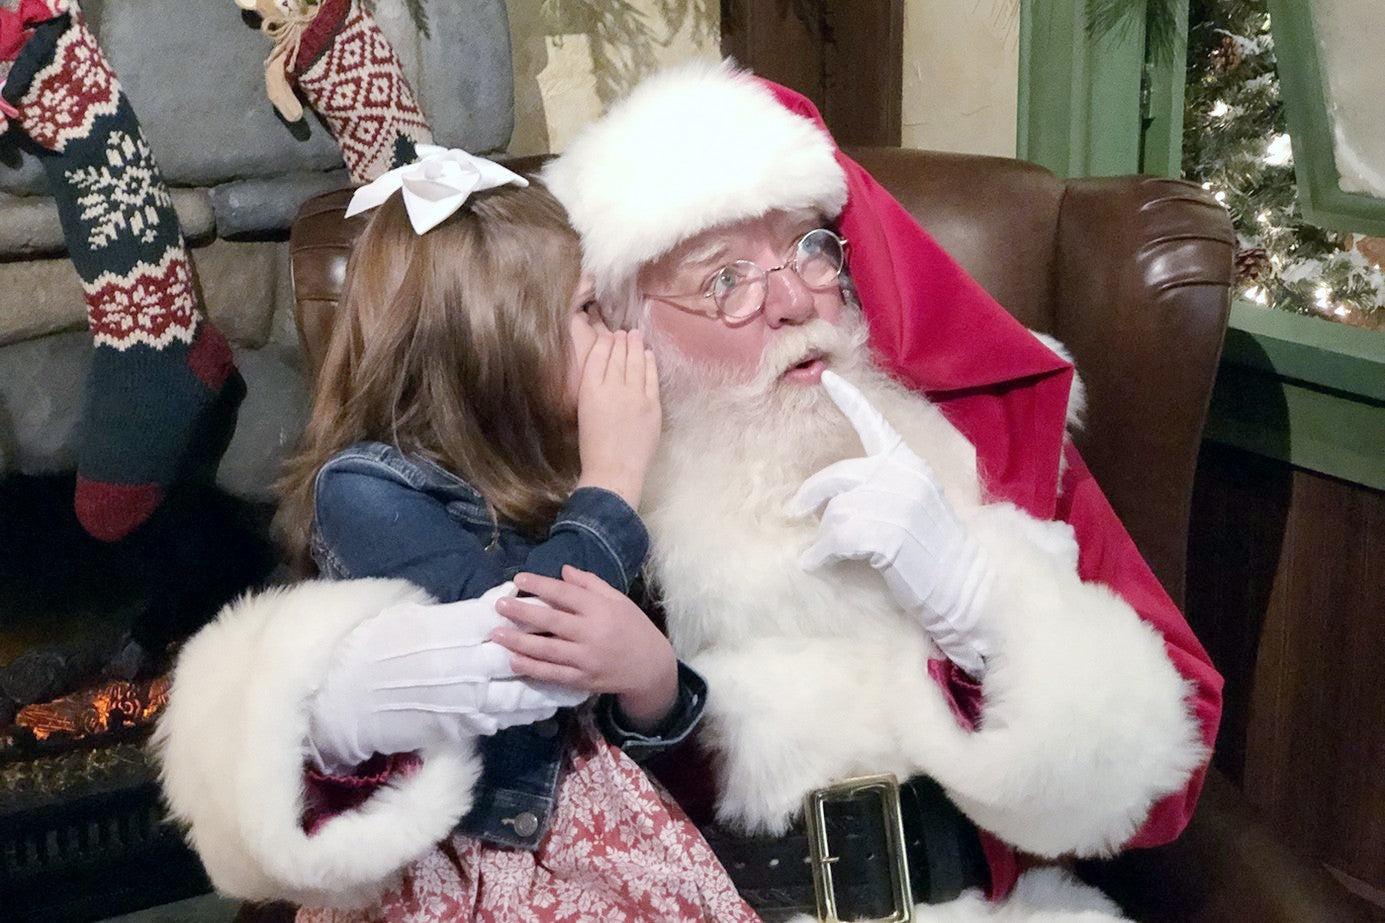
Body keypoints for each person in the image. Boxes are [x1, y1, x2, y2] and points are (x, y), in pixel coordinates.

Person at [157, 63, 1224, 921]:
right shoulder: (568, 486)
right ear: (617, 323)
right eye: (722, 275)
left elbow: (1165, 778)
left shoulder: (979, 432)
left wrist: (980, 611)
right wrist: (324, 709)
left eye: (810, 245)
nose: (794, 298)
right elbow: (391, 760)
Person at [155, 147, 756, 921]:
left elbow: (610, 720)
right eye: (584, 310)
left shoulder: (553, 462)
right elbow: (517, 651)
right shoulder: (365, 488)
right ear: (494, 346)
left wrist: (652, 682)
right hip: (469, 860)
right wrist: (611, 481)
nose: (612, 332)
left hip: (604, 825)